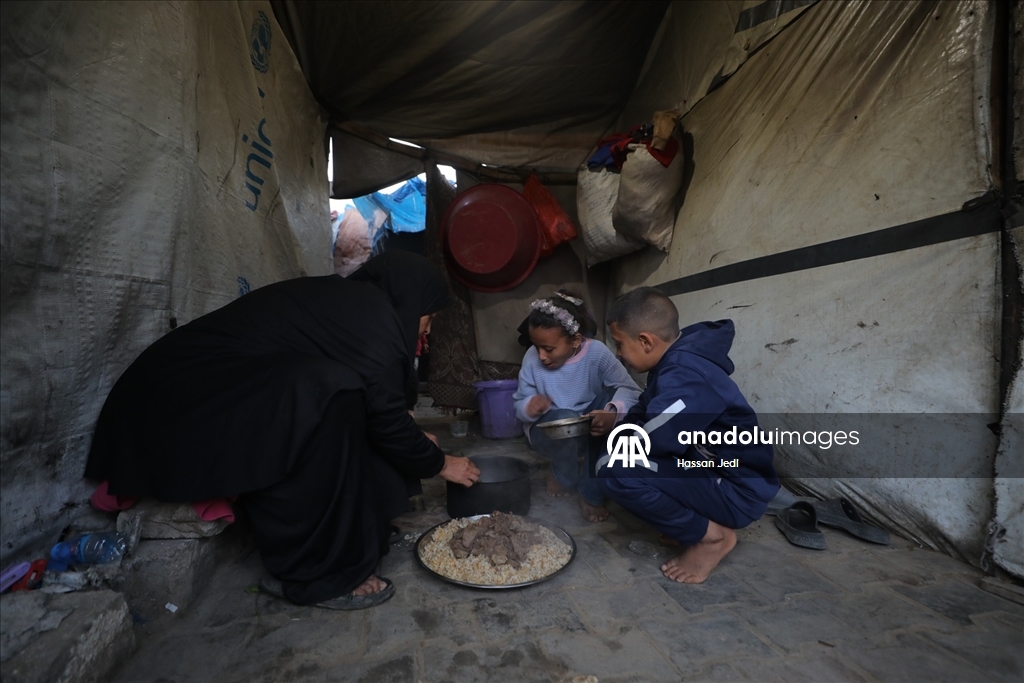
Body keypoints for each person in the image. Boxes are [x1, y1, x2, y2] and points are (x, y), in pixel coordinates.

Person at [85, 251, 480, 609]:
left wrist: (409, 438)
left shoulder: (360, 307)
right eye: (429, 316)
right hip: (172, 405)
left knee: (339, 393)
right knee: (328, 396)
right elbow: (387, 420)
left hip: (202, 397)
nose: (427, 330)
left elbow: (384, 408)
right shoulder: (372, 318)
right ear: (410, 299)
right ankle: (317, 573)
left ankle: (358, 535)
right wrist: (440, 463)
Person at [602, 287, 779, 583]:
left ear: (645, 341)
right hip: (709, 469)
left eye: (619, 344)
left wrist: (618, 441)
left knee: (616, 469)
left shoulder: (686, 374)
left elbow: (657, 435)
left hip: (735, 489)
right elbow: (643, 410)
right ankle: (692, 524)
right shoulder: (672, 362)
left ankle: (712, 538)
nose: (618, 354)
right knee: (619, 452)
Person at [512, 291, 641, 522]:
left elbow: (631, 390)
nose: (541, 356)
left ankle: (589, 494)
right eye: (536, 346)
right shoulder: (532, 357)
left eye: (548, 349)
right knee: (564, 415)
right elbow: (520, 404)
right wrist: (529, 406)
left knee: (613, 397)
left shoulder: (597, 353)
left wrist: (612, 413)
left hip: (588, 428)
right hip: (548, 432)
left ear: (575, 340)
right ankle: (563, 474)